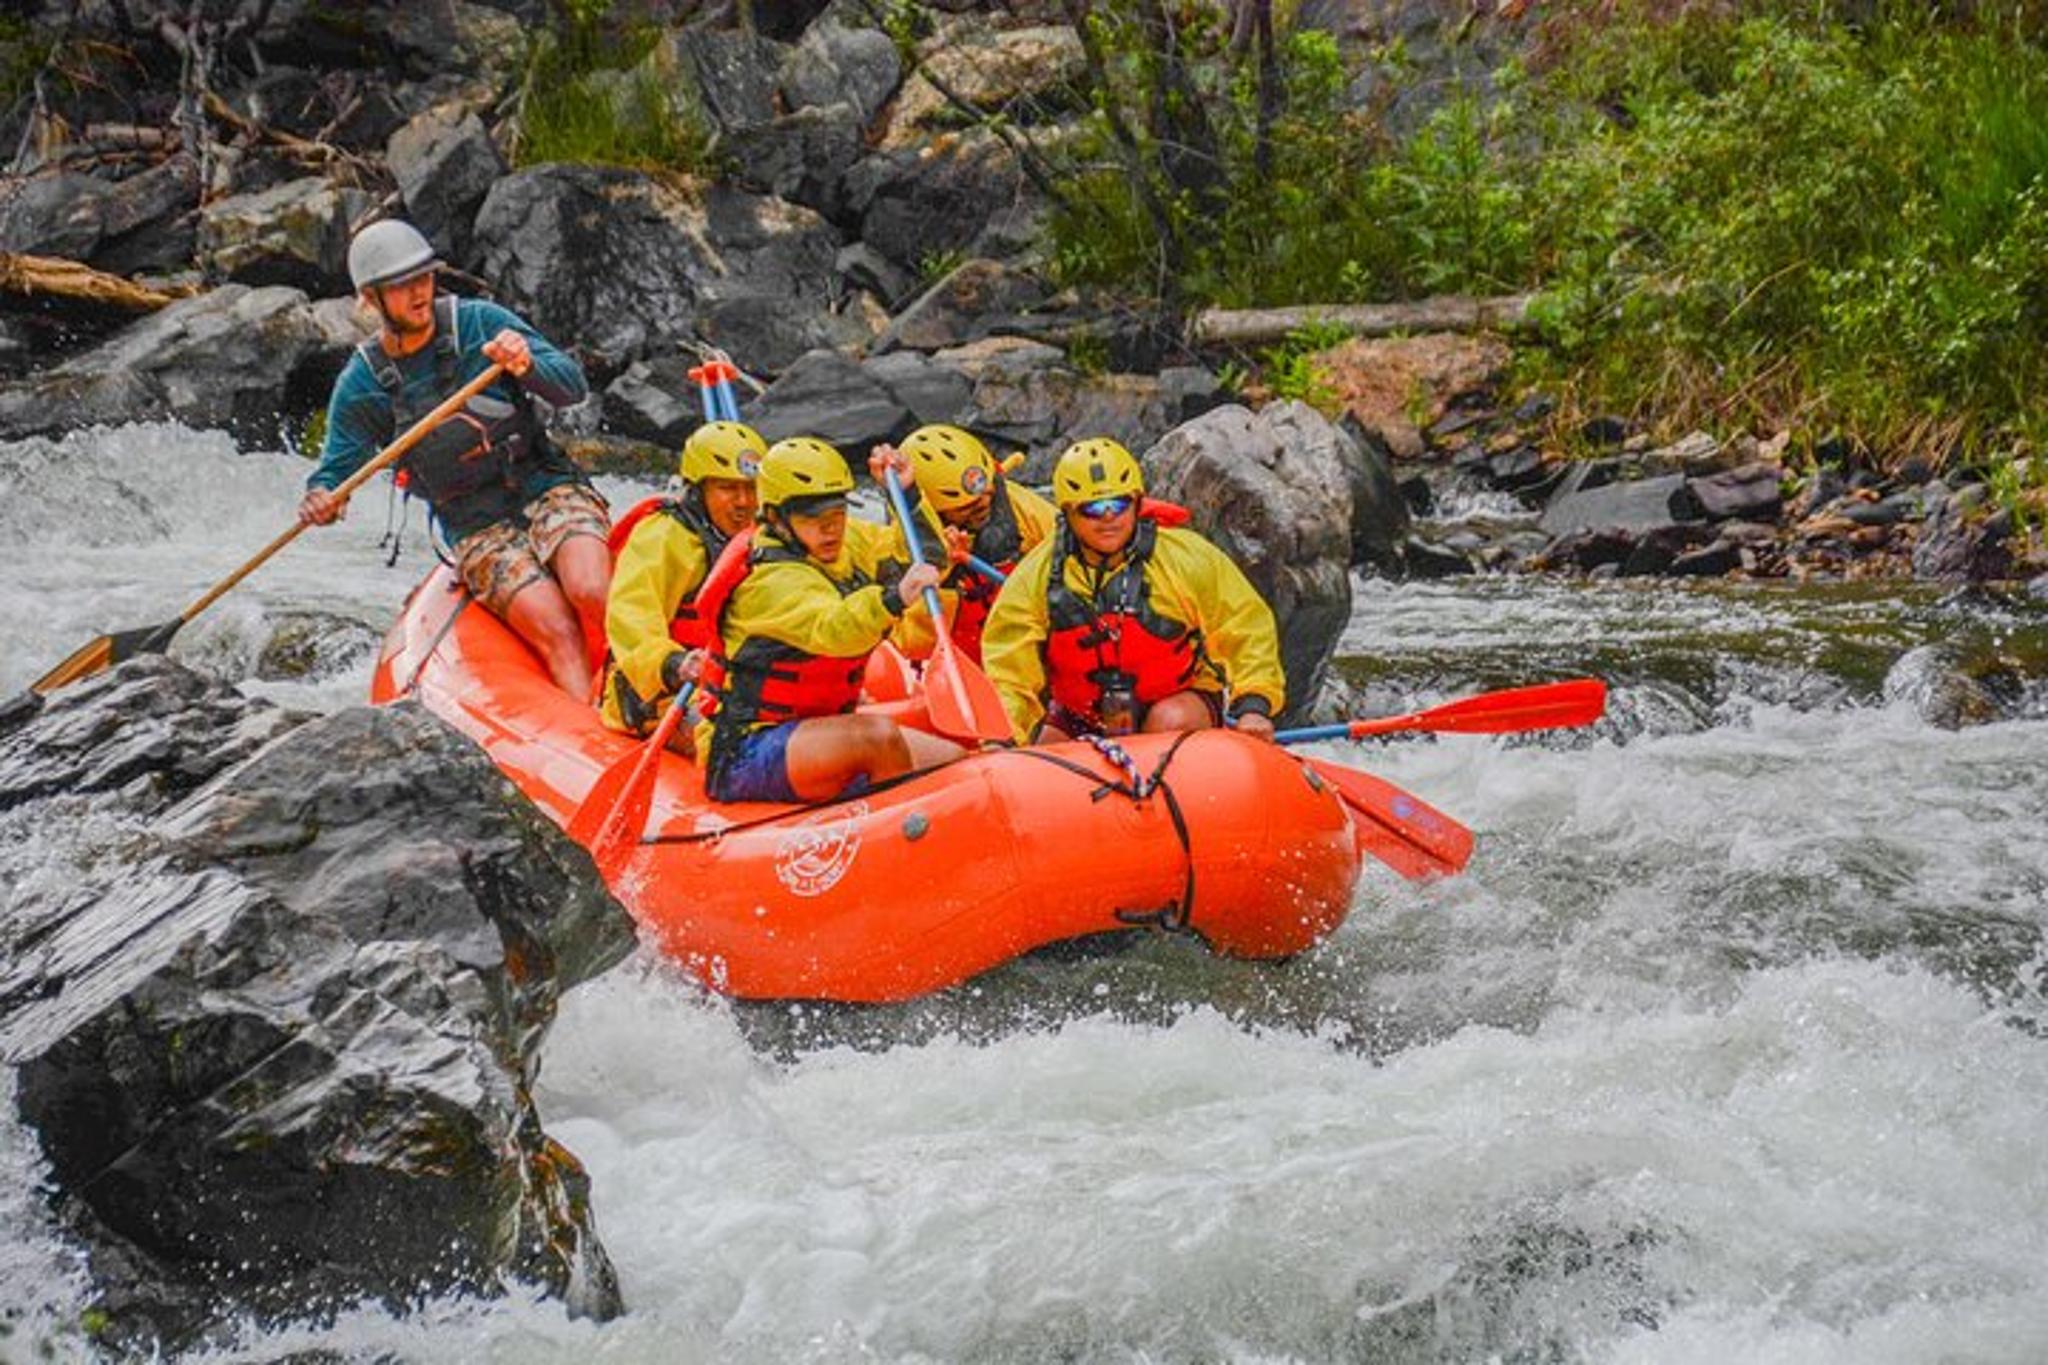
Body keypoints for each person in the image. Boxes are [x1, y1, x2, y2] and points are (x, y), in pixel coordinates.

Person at [297, 219, 610, 697]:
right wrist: (321, 500)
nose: (419, 293)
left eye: (422, 278)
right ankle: (596, 742)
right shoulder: (362, 384)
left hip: (546, 485)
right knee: (558, 629)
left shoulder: (479, 322)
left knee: (591, 589)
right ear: (369, 299)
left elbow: (571, 387)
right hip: (475, 527)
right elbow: (334, 475)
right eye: (400, 287)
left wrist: (527, 366)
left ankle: (647, 696)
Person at [694, 437, 964, 803]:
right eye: (813, 519)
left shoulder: (846, 541)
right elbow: (835, 630)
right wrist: (893, 597)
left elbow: (928, 557)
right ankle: (891, 841)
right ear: (776, 518)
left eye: (837, 515)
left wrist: (907, 496)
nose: (830, 530)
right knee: (878, 737)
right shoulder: (767, 580)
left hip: (819, 733)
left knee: (955, 764)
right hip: (747, 750)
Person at [980, 437, 1285, 745]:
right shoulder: (1036, 575)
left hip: (1176, 700)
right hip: (1083, 714)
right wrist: (1001, 737)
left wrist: (1254, 705)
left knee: (1168, 721)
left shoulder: (1185, 557)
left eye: (1119, 504)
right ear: (1068, 513)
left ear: (1137, 502)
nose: (1109, 517)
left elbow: (1243, 626)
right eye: (1093, 509)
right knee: (1048, 748)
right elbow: (1009, 671)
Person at [598, 420, 765, 745]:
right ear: (699, 489)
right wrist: (674, 663)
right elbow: (631, 616)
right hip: (663, 696)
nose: (744, 502)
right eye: (728, 488)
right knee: (734, 739)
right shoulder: (664, 537)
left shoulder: (769, 534)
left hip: (738, 686)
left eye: (751, 488)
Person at [876, 423, 1058, 662]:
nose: (983, 505)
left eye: (987, 494)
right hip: (954, 662)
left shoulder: (1023, 508)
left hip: (1019, 645)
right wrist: (947, 575)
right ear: (937, 510)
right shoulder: (899, 544)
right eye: (966, 508)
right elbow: (913, 644)